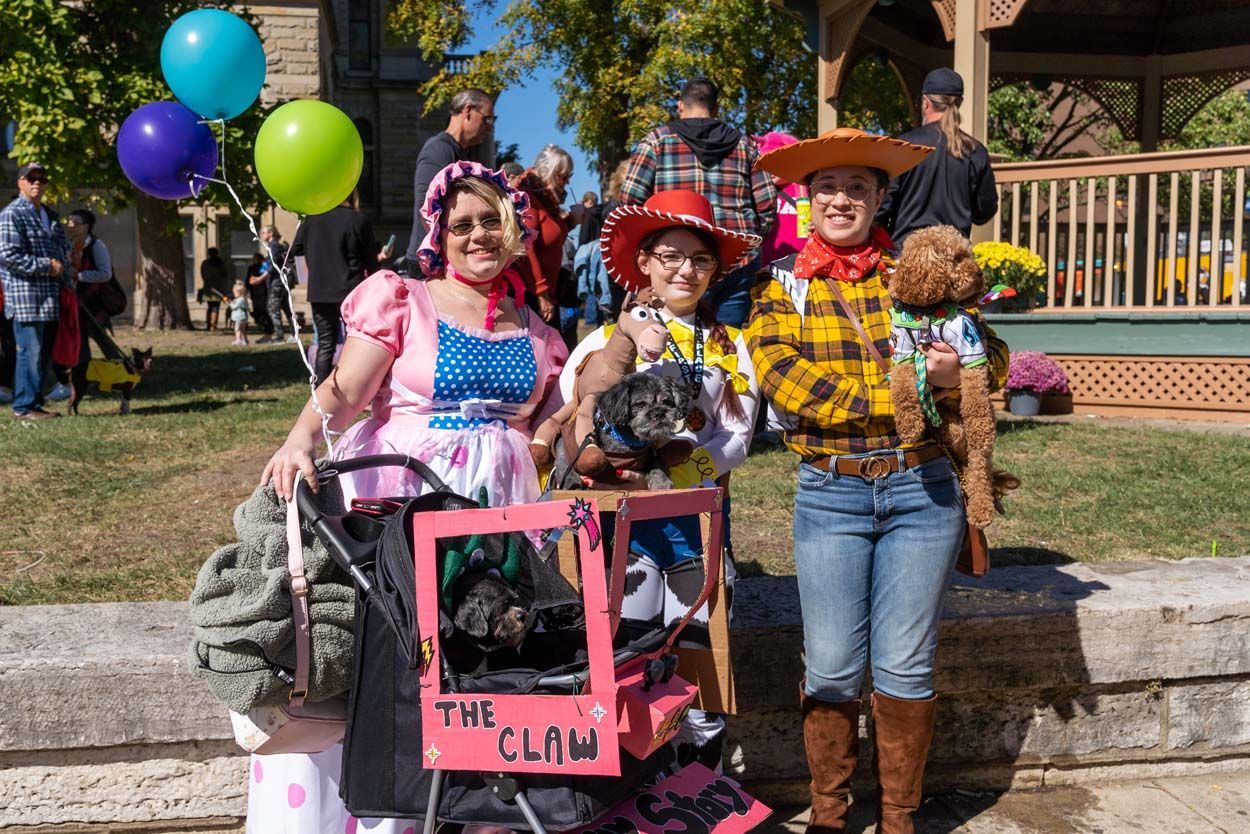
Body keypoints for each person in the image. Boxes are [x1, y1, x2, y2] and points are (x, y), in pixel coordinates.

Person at [256, 161, 567, 833]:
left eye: (491, 221)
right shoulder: (406, 299)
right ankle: (384, 809)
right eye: (462, 225)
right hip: (406, 499)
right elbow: (344, 389)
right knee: (399, 656)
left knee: (483, 659)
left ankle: (471, 808)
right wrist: (300, 439)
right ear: (439, 233)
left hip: (497, 513)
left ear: (513, 229)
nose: (478, 235)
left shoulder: (538, 330)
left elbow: (551, 421)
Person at [745, 127, 1010, 834]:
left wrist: (964, 370)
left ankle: (898, 820)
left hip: (922, 491)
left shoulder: (916, 268)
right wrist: (915, 392)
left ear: (879, 197)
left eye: (857, 187)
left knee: (905, 663)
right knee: (831, 664)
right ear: (807, 201)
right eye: (827, 187)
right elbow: (787, 384)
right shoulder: (783, 288)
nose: (841, 199)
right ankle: (830, 814)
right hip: (830, 491)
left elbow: (994, 356)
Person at [562, 189, 761, 768]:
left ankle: (702, 786)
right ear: (644, 263)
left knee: (697, 647)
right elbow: (579, 417)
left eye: (699, 260)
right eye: (670, 256)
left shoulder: (730, 346)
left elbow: (737, 435)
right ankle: (637, 786)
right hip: (622, 522)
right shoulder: (605, 343)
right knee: (632, 646)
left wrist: (683, 470)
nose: (685, 270)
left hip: (694, 518)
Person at [620, 77, 776, 327]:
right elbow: (767, 206)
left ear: (680, 105)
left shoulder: (657, 142)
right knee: (729, 342)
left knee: (671, 337)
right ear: (715, 110)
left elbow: (629, 202)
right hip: (737, 262)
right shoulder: (745, 147)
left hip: (675, 263)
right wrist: (746, 243)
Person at [876, 68, 998, 246]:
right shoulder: (975, 150)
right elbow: (984, 211)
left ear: (926, 102)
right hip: (955, 257)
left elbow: (883, 206)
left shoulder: (905, 145)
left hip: (908, 254)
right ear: (959, 102)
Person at [0, 162, 69, 419]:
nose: (37, 182)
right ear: (20, 182)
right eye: (31, 178)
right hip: (25, 297)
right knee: (29, 351)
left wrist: (67, 283)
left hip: (50, 297)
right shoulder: (12, 213)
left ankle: (35, 403)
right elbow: (7, 254)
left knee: (41, 353)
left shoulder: (49, 215)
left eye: (41, 178)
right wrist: (45, 266)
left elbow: (61, 252)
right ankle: (23, 407)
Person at [290, 190, 381, 385]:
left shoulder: (312, 219)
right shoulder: (358, 219)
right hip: (351, 291)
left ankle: (321, 391)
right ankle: (354, 388)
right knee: (355, 342)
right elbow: (371, 261)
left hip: (319, 290)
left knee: (325, 343)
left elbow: (295, 249)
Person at [403, 88, 496, 268]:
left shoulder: (459, 153)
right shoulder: (439, 150)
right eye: (487, 119)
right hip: (430, 264)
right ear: (468, 111)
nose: (489, 127)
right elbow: (427, 209)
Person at [513, 144, 576, 332]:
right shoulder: (530, 199)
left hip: (545, 292)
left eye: (569, 177)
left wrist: (572, 221)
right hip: (531, 296)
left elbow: (551, 237)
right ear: (549, 172)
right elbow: (526, 245)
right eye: (563, 176)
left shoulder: (548, 201)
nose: (567, 183)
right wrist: (541, 292)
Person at [260, 225, 294, 341]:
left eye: (264, 232)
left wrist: (261, 278)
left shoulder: (273, 246)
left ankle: (278, 335)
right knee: (286, 308)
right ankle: (294, 333)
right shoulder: (277, 245)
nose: (262, 235)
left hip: (277, 282)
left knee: (273, 308)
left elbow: (273, 266)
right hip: (283, 282)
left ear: (271, 233)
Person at [199, 247, 229, 331]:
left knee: (209, 307)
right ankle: (213, 326)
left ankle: (209, 324)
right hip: (218, 287)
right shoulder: (220, 263)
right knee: (216, 307)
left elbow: (203, 275)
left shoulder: (205, 263)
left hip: (208, 288)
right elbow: (224, 274)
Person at [244, 252, 271, 334]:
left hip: (261, 290)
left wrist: (247, 287)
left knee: (261, 308)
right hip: (256, 290)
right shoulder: (252, 268)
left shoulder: (263, 267)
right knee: (258, 308)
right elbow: (248, 279)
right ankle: (260, 323)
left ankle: (262, 323)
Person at [227, 280, 250, 345]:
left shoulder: (240, 300)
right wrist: (231, 301)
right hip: (243, 318)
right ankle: (245, 340)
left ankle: (238, 340)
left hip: (239, 318)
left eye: (234, 292)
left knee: (237, 329)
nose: (234, 294)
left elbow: (234, 307)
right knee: (243, 330)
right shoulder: (242, 299)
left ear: (239, 293)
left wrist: (230, 303)